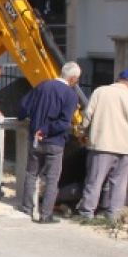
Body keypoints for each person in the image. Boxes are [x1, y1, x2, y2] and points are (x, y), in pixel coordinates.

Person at [74, 69, 128, 221]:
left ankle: (87, 213)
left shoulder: (100, 92)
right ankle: (113, 215)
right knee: (119, 184)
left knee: (95, 180)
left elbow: (87, 115)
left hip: (101, 145)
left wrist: (82, 132)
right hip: (125, 148)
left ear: (118, 79)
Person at [18, 61, 82, 224]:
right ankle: (46, 214)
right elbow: (64, 122)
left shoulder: (43, 86)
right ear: (73, 78)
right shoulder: (70, 95)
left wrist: (29, 122)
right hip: (54, 141)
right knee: (52, 179)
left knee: (31, 174)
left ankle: (27, 210)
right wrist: (46, 130)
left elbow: (24, 106)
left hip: (35, 139)